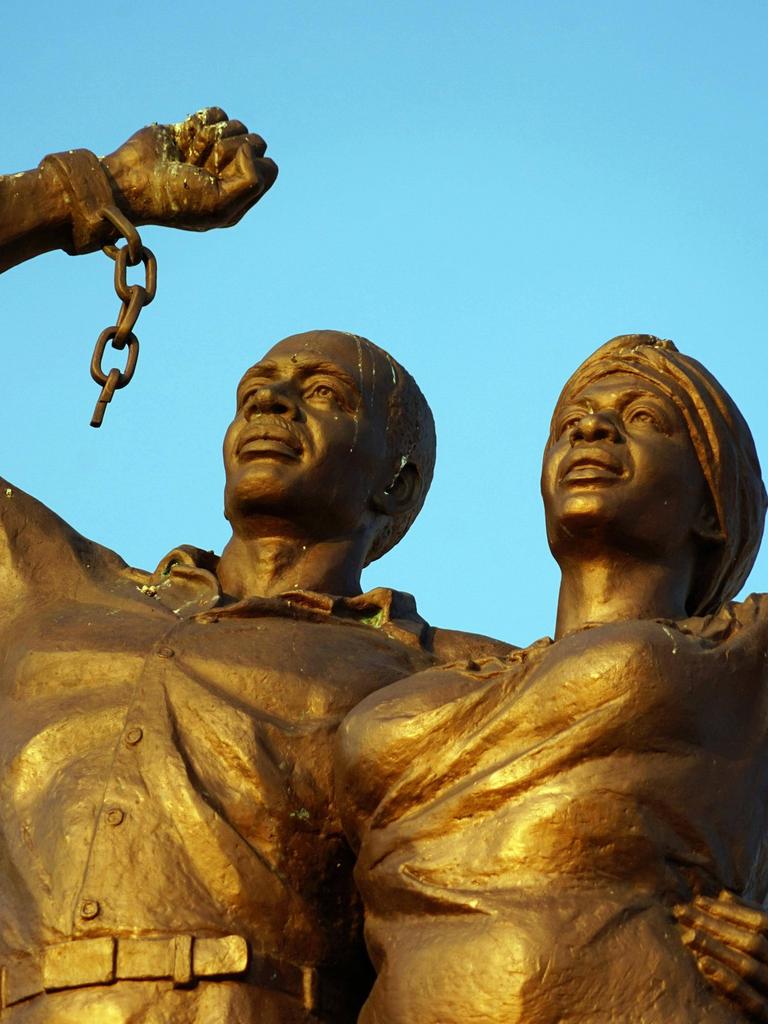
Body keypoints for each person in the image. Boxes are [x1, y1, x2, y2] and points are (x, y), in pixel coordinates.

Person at [0, 113, 511, 1023]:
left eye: (322, 393)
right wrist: (89, 193)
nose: (271, 397)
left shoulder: (454, 679)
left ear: (396, 482)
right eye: (254, 390)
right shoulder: (51, 588)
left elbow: (648, 782)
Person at [337, 335, 768, 1023]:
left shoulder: (738, 655)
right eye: (571, 424)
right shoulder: (429, 667)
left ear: (713, 505)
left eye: (644, 418)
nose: (593, 428)